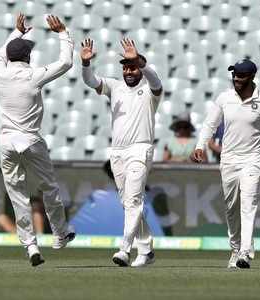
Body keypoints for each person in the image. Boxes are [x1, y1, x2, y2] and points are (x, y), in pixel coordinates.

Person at [191, 59, 260, 269]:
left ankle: (245, 252)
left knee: (248, 204)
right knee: (231, 207)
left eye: (241, 76)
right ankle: (235, 248)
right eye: (235, 75)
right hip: (229, 159)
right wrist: (200, 146)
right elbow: (209, 124)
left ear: (251, 77)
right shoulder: (224, 98)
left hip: (252, 159)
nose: (236, 80)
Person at [0, 14, 75, 267]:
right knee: (48, 187)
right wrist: (63, 32)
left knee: (17, 196)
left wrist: (15, 33)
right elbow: (65, 63)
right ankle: (60, 234)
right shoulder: (34, 76)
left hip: (7, 143)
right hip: (30, 141)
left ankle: (30, 246)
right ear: (27, 57)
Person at [81, 38, 163, 267]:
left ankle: (125, 249)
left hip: (140, 148)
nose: (128, 71)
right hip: (117, 152)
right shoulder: (114, 86)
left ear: (140, 68)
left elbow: (156, 80)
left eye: (132, 67)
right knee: (128, 204)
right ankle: (146, 250)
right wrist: (86, 64)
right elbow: (90, 81)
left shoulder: (149, 90)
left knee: (134, 200)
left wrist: (140, 60)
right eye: (125, 67)